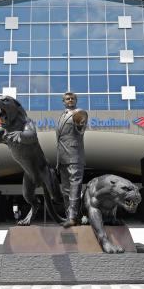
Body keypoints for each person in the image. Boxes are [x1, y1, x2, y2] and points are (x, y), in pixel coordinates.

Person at [55, 91, 88, 227]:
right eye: (67, 98)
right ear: (63, 101)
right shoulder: (61, 117)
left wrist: (80, 124)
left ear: (76, 101)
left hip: (75, 156)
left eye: (72, 98)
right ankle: (72, 216)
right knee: (66, 190)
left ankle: (73, 217)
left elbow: (80, 129)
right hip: (62, 158)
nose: (70, 100)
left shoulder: (79, 113)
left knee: (75, 186)